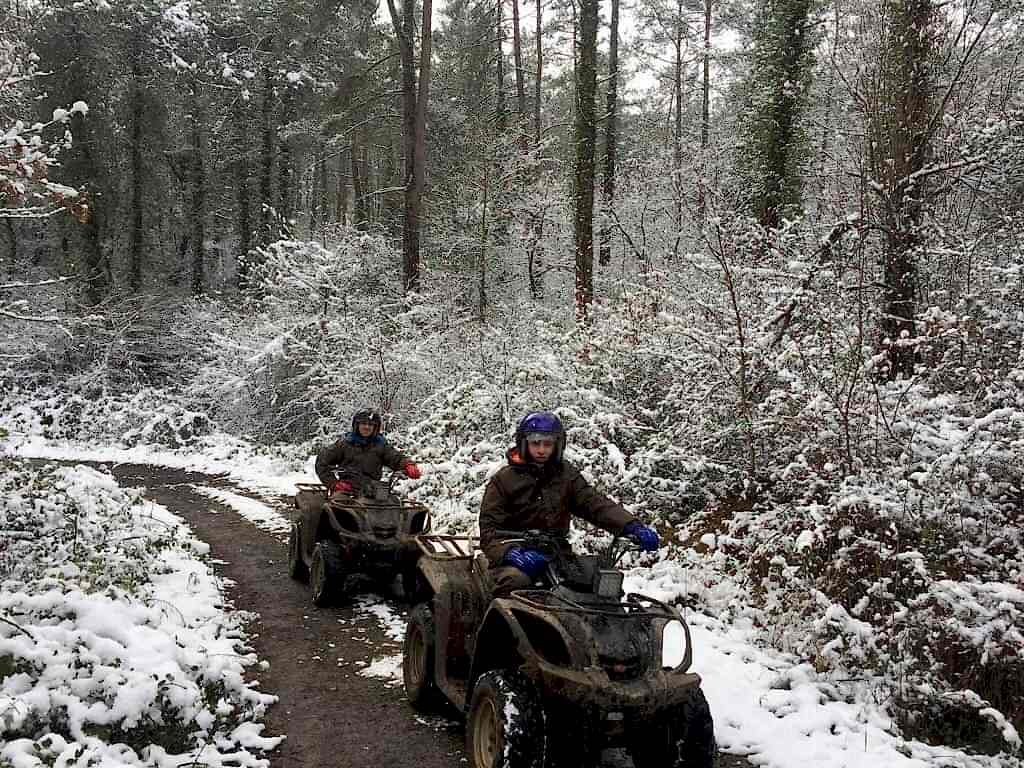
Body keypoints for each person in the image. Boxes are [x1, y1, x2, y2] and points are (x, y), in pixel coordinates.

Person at [479, 410, 660, 595]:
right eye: (535, 443)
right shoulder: (503, 480)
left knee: (602, 582)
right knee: (516, 581)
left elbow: (593, 503)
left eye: (548, 444)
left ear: (557, 445)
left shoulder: (565, 475)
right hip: (516, 555)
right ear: (524, 444)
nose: (541, 450)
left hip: (557, 554)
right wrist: (510, 553)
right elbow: (488, 531)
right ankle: (500, 623)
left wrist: (631, 526)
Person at [315, 408, 422, 494]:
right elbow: (322, 461)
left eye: (370, 425)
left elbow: (395, 458)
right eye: (363, 423)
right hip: (347, 489)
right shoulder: (345, 444)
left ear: (375, 428)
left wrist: (408, 465)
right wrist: (334, 484)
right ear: (357, 425)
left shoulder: (380, 445)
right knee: (337, 508)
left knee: (395, 507)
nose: (367, 427)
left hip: (373, 491)